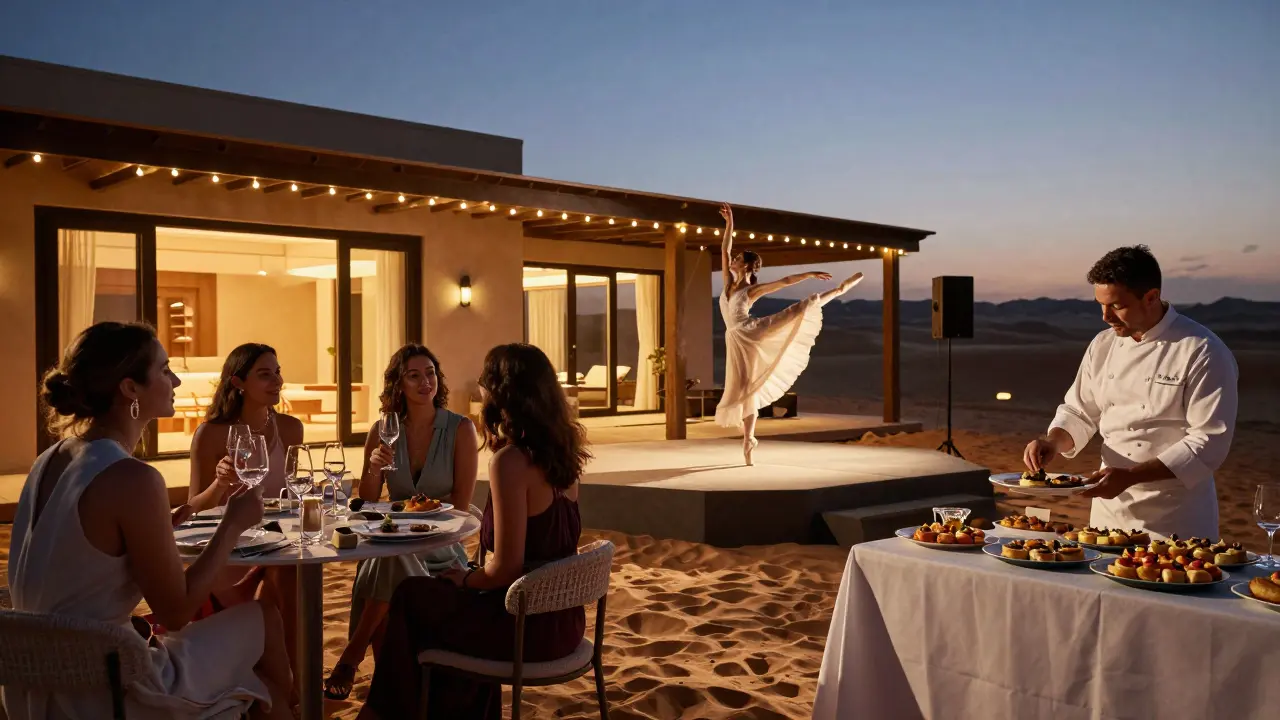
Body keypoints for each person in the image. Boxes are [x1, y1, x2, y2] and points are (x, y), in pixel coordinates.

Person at [5, 321, 292, 719]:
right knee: (263, 621)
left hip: (38, 686)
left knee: (258, 672)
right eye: (164, 369)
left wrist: (163, 524)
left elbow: (79, 556)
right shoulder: (132, 478)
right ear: (130, 389)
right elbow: (175, 616)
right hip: (110, 688)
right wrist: (232, 526)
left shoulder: (51, 459)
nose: (175, 380)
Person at [357, 343, 590, 720]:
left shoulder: (511, 462)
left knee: (411, 597)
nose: (480, 389)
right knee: (422, 599)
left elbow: (507, 569)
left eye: (485, 381)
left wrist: (465, 580)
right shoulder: (565, 454)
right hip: (564, 620)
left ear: (503, 392)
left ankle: (382, 712)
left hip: (526, 627)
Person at [1023, 245, 1238, 539]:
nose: (1105, 316)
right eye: (1100, 305)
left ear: (1151, 297)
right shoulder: (1103, 345)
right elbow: (1080, 410)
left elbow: (1209, 442)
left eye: (1116, 306)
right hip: (1108, 510)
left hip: (1174, 516)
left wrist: (1131, 477)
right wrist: (1053, 441)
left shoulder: (1202, 350)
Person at [323, 344, 479, 700]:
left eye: (430, 373)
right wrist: (375, 468)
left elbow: (461, 505)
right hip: (394, 539)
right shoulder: (383, 429)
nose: (425, 382)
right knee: (389, 554)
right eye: (414, 375)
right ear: (399, 384)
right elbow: (365, 498)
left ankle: (351, 655)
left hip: (440, 543)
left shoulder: (460, 430)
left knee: (385, 558)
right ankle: (383, 684)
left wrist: (411, 516)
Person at [715, 202, 864, 464]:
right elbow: (724, 249)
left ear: (748, 267)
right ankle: (749, 439)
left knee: (795, 312)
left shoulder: (751, 290)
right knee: (742, 388)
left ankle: (839, 291)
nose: (733, 260)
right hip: (734, 339)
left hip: (751, 333)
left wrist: (808, 273)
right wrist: (730, 224)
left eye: (739, 259)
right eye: (735, 258)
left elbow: (783, 282)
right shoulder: (728, 283)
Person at [186, 343, 302, 670]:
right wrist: (220, 483)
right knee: (285, 578)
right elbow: (195, 507)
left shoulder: (291, 429)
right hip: (231, 544)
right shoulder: (210, 434)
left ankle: (296, 679)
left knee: (290, 575)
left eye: (277, 372)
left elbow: (294, 494)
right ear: (238, 383)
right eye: (265, 374)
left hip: (279, 541)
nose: (276, 381)